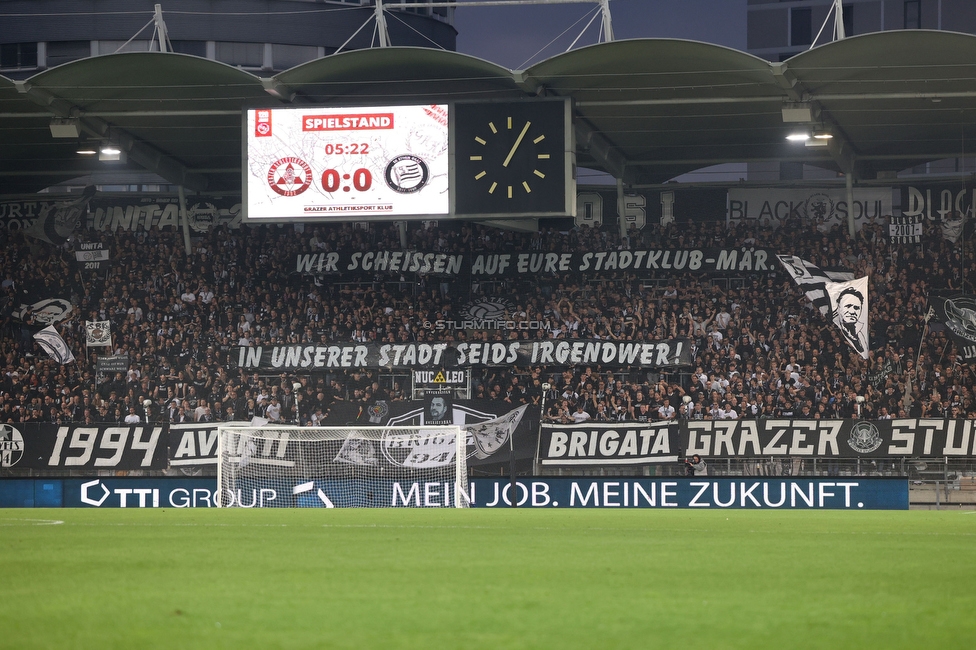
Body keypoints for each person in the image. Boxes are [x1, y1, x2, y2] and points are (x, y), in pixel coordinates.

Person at [833, 287, 867, 354]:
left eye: (856, 308)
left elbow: (863, 352)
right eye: (848, 306)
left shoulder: (862, 331)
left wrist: (853, 339)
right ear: (839, 307)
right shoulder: (837, 324)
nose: (852, 312)